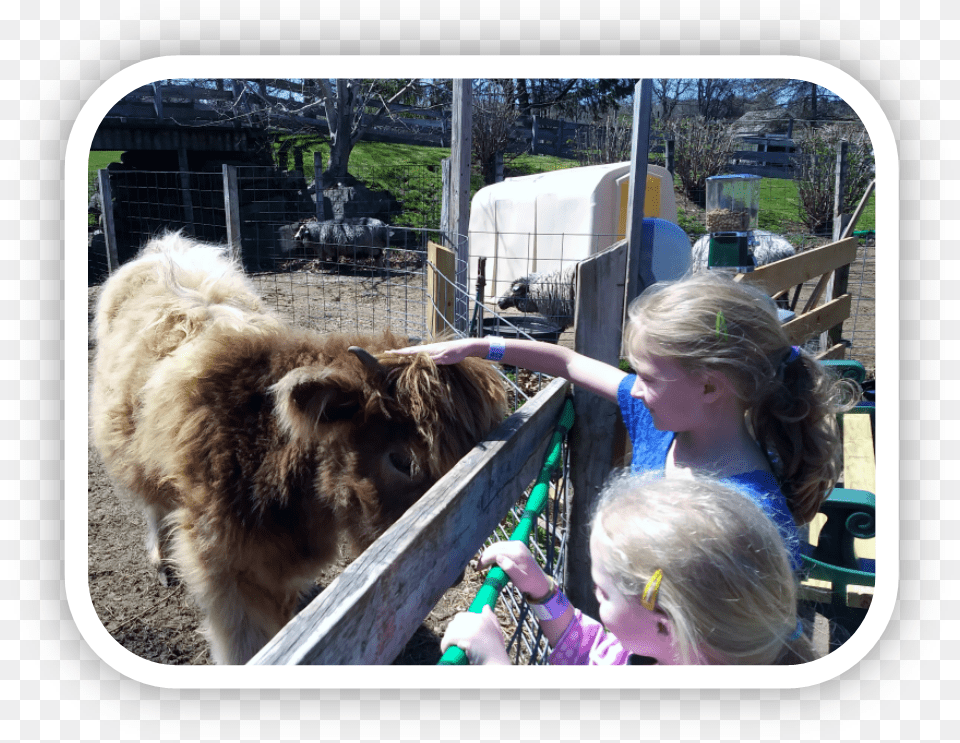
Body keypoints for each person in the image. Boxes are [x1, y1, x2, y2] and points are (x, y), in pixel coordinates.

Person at [389, 271, 858, 570]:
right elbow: (568, 362)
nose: (633, 385)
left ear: (712, 387)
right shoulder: (659, 417)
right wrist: (476, 347)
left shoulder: (750, 521)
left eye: (649, 375)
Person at [440, 473, 820, 665]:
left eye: (603, 594)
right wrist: (542, 592)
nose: (596, 602)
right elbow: (594, 650)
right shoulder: (663, 656)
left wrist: (494, 666)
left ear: (663, 624)